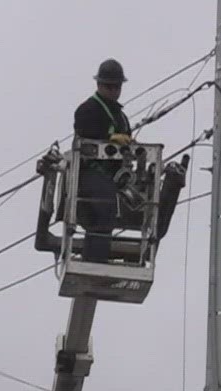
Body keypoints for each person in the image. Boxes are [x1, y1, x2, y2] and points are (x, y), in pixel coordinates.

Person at [72, 58, 133, 263]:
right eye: (109, 86)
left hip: (113, 177)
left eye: (117, 87)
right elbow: (84, 135)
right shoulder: (87, 110)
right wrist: (108, 139)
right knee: (103, 204)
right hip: (90, 174)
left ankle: (110, 256)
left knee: (134, 202)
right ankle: (95, 260)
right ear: (99, 85)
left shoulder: (121, 117)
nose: (114, 91)